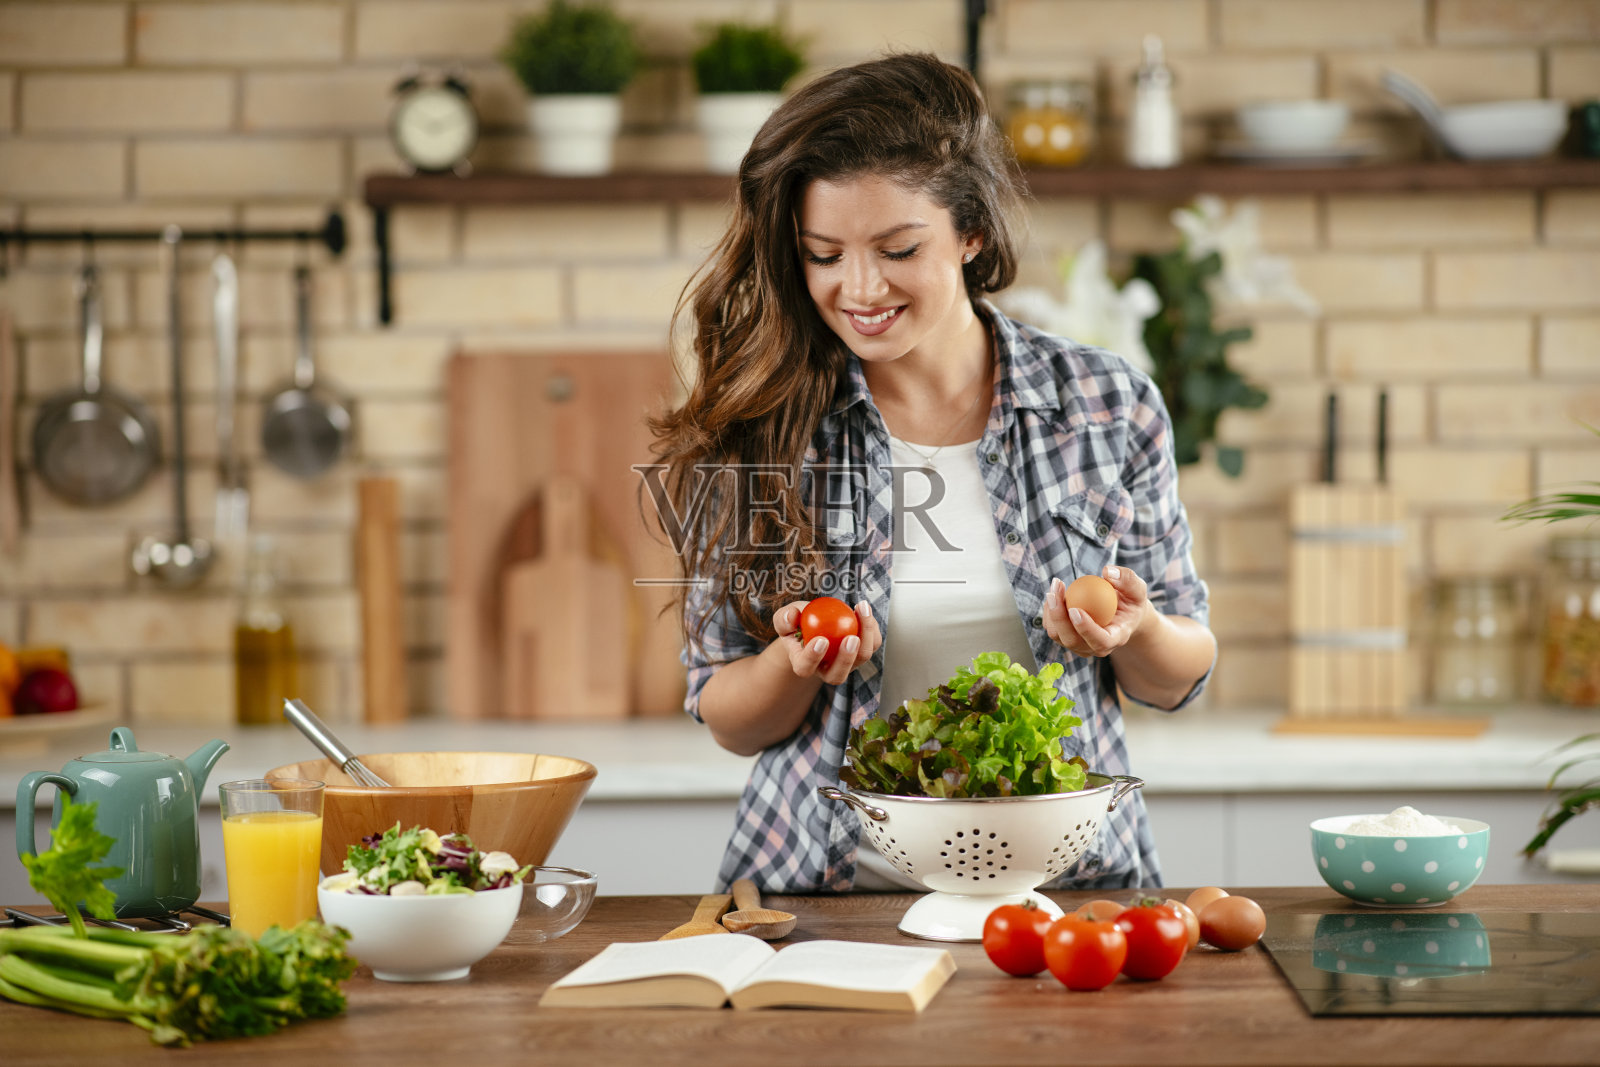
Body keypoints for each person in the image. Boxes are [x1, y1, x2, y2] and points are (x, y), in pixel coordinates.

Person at [647, 52, 1217, 895]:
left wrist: (1137, 630)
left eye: (898, 248)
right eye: (823, 254)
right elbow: (728, 717)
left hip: (1064, 898)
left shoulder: (1107, 402)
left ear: (971, 231)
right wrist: (792, 662)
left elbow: (1182, 674)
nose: (859, 288)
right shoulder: (761, 424)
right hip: (827, 899)